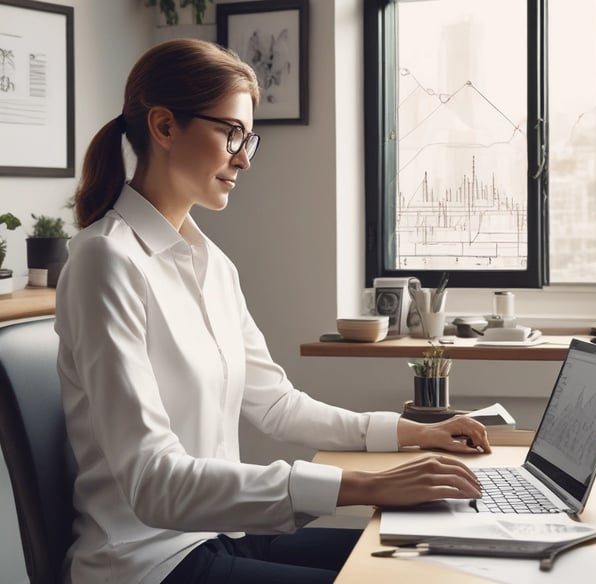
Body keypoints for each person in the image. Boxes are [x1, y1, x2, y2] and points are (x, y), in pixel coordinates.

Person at [55, 38, 491, 584]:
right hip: (146, 563)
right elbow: (152, 482)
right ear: (164, 127)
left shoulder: (210, 262)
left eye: (248, 139)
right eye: (231, 133)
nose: (243, 157)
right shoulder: (105, 260)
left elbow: (277, 406)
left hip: (219, 534)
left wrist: (411, 432)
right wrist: (365, 486)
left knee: (436, 557)